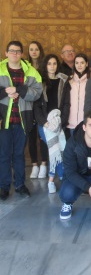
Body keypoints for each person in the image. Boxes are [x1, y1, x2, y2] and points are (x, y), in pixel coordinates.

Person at [0, 41, 42, 200]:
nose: (15, 54)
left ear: (22, 54)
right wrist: (5, 91)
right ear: (6, 53)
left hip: (23, 119)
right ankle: (4, 186)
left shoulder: (31, 71)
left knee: (19, 154)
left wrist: (19, 89)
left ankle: (19, 184)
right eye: (12, 51)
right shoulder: (0, 69)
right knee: (3, 154)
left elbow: (37, 93)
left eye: (18, 51)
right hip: (3, 121)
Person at [34, 54, 69, 193]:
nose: (52, 66)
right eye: (49, 64)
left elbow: (66, 103)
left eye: (54, 64)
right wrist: (44, 123)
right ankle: (54, 179)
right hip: (45, 123)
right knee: (53, 150)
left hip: (59, 121)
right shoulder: (40, 82)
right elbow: (36, 106)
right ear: (45, 65)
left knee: (60, 149)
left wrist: (62, 120)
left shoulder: (63, 81)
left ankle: (60, 176)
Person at [27, 41, 48, 179]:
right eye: (31, 49)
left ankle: (44, 164)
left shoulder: (45, 66)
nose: (34, 52)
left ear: (40, 51)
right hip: (28, 105)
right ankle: (34, 164)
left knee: (43, 137)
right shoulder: (25, 67)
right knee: (31, 136)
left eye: (36, 49)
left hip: (41, 105)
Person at [62, 53, 90, 137]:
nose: (79, 65)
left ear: (86, 64)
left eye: (82, 62)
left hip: (85, 123)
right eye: (77, 63)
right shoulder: (69, 81)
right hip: (70, 123)